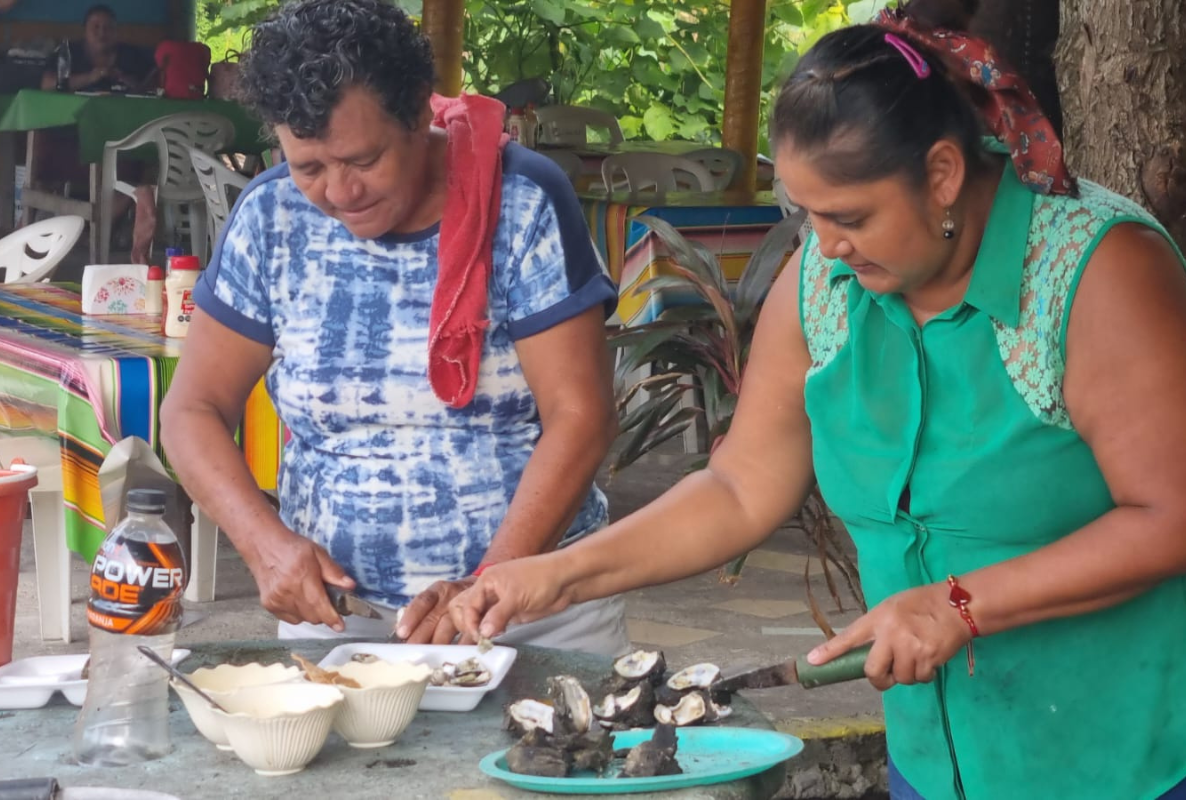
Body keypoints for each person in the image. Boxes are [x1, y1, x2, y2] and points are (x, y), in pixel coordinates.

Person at [449, 1, 1186, 797]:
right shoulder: (825, 283)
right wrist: (554, 575)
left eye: (850, 217)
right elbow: (738, 490)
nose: (825, 245)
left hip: (1124, 754)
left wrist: (958, 605)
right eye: (806, 215)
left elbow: (1169, 512)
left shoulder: (1096, 271)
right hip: (938, 760)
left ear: (941, 173)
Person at [159, 0, 628, 657]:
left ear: (417, 113)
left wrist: (489, 583)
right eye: (309, 167)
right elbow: (192, 409)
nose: (340, 191)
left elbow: (581, 415)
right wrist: (264, 544)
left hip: (531, 609)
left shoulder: (521, 201)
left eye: (363, 158)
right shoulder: (271, 217)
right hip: (336, 621)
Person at [40, 5, 156, 93]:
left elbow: (154, 85)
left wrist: (123, 79)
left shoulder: (131, 54)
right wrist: (90, 77)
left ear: (117, 32)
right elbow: (47, 84)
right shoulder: (69, 51)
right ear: (85, 30)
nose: (102, 33)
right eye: (95, 27)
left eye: (109, 27)